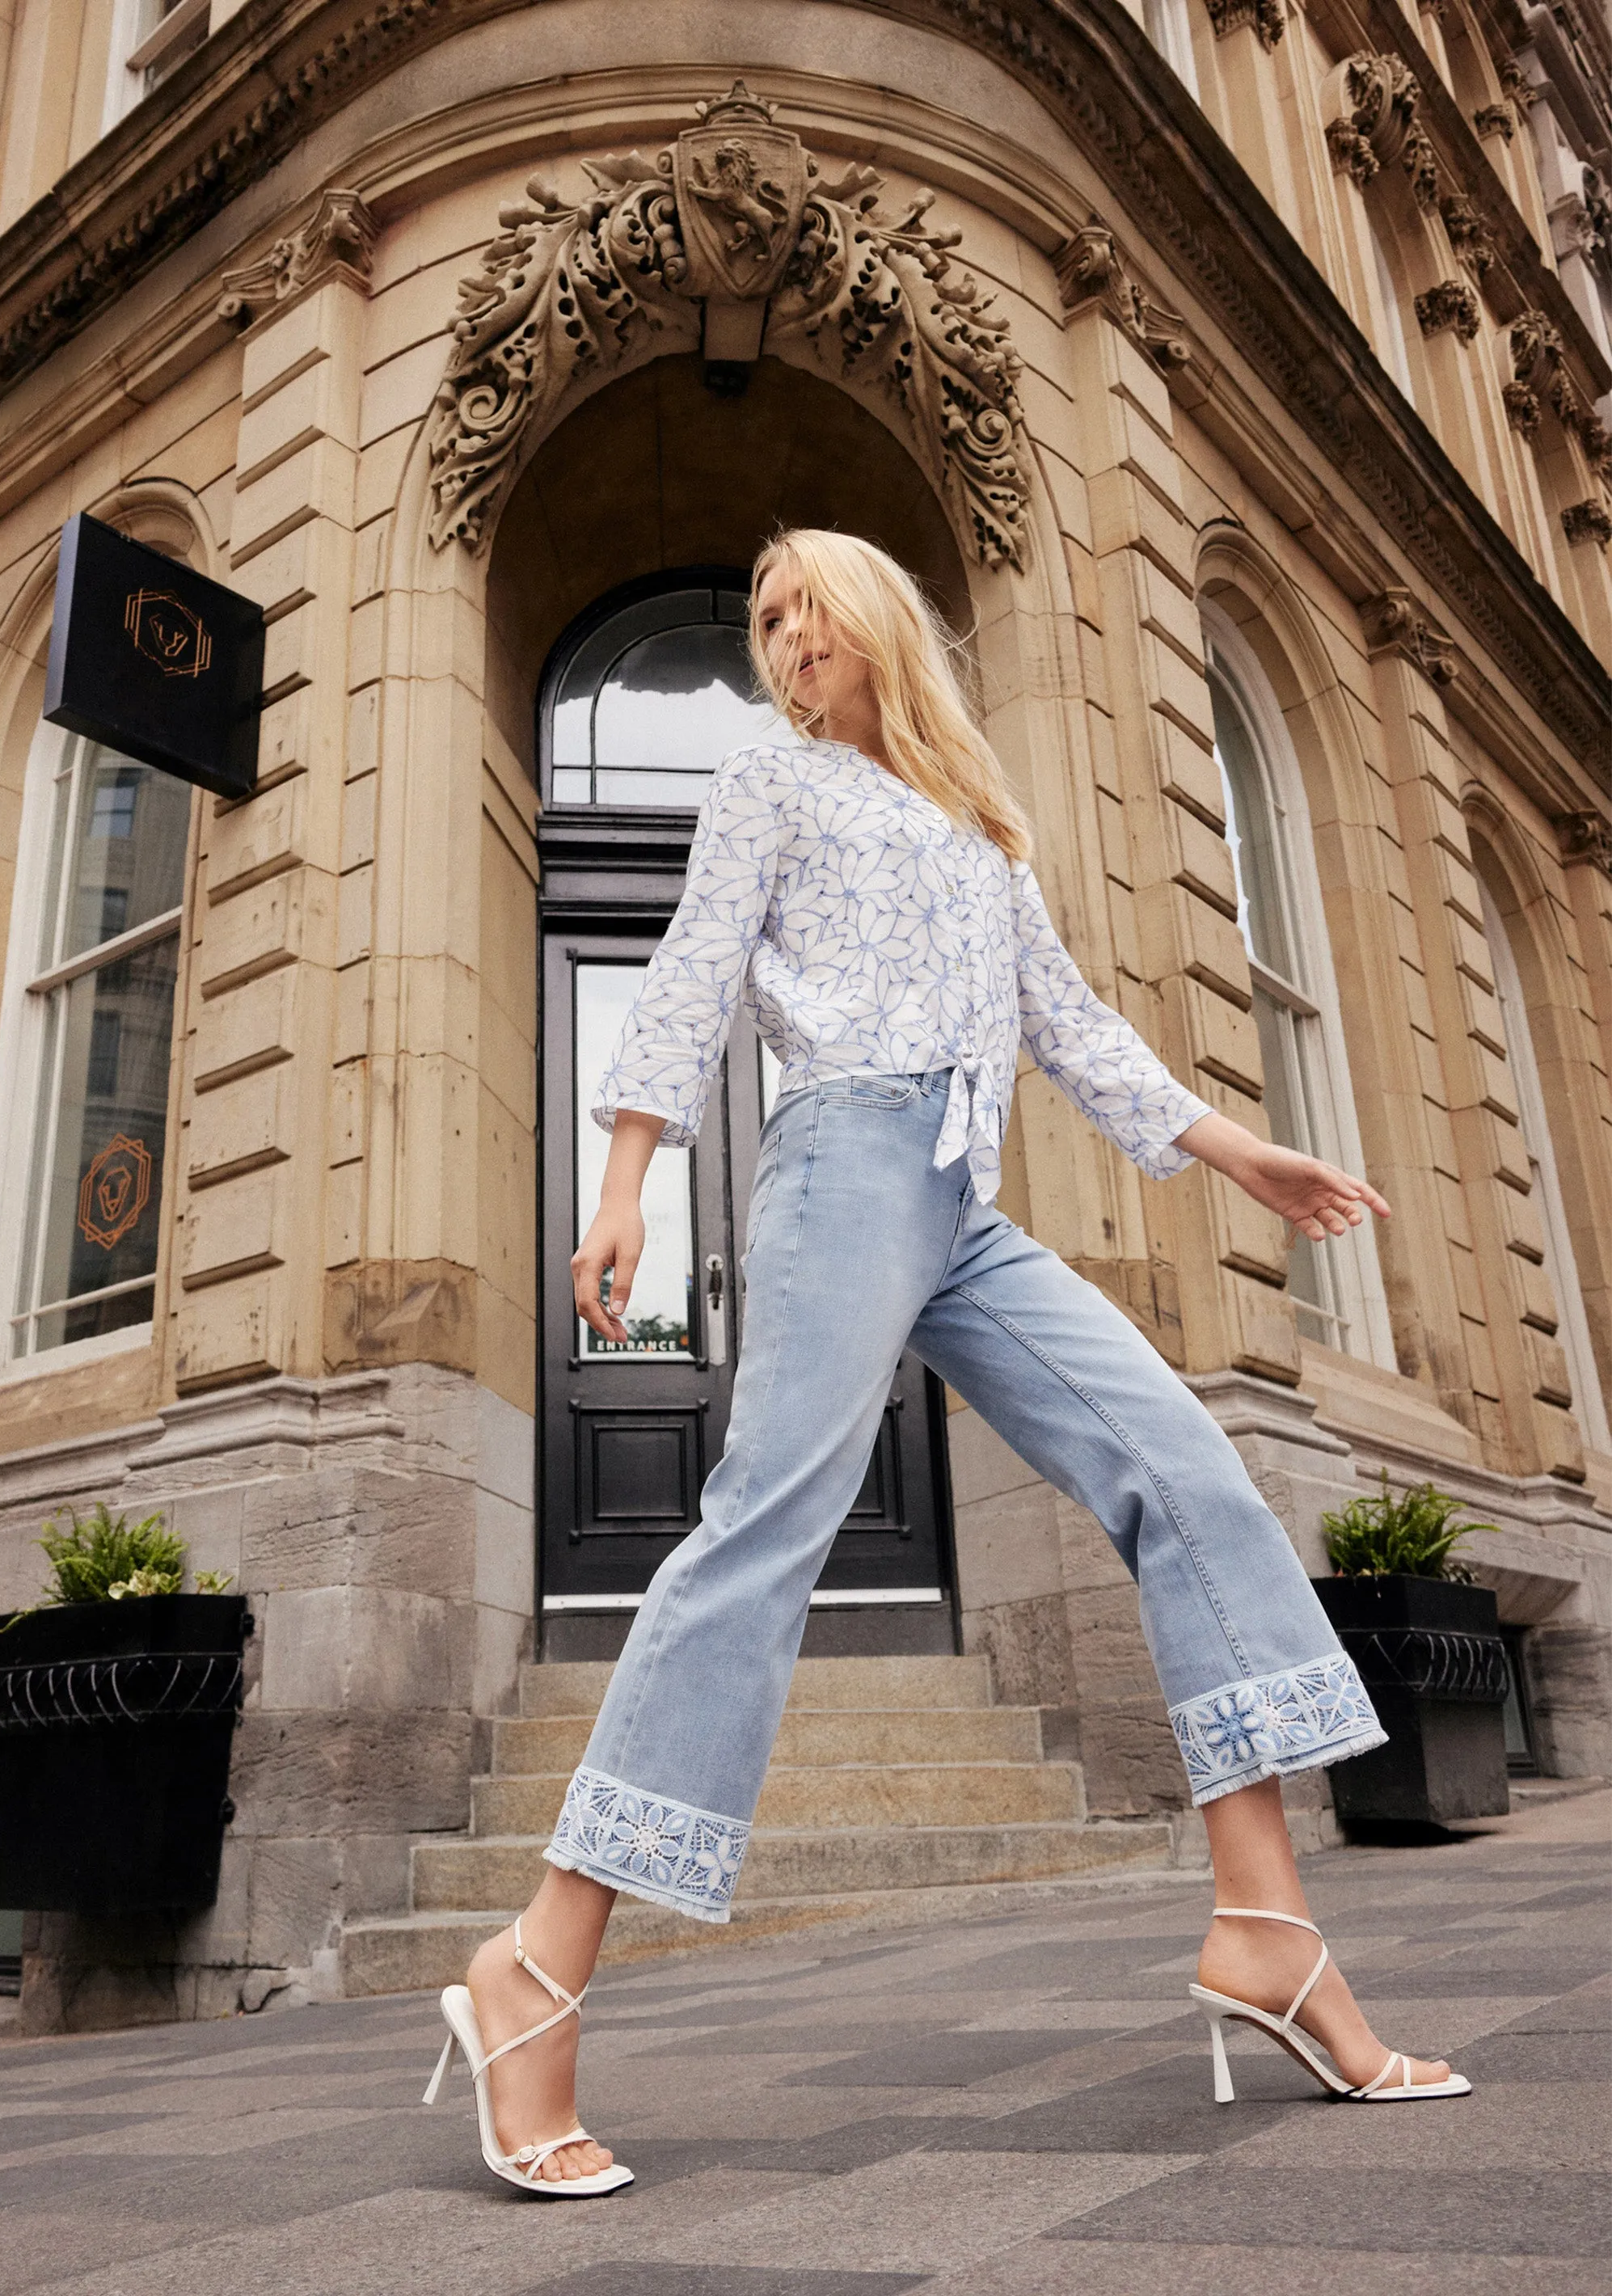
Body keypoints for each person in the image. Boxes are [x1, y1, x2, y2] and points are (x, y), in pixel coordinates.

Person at [421, 528, 1468, 2196]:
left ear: (876, 613)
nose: (779, 637)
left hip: (962, 1204)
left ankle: (1268, 1923)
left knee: (1181, 1467)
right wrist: (623, 1183)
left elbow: (1075, 1027)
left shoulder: (983, 826)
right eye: (759, 618)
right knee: (764, 1529)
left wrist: (1237, 1152)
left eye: (802, 606)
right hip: (841, 1169)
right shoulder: (768, 784)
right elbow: (691, 975)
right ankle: (534, 1966)